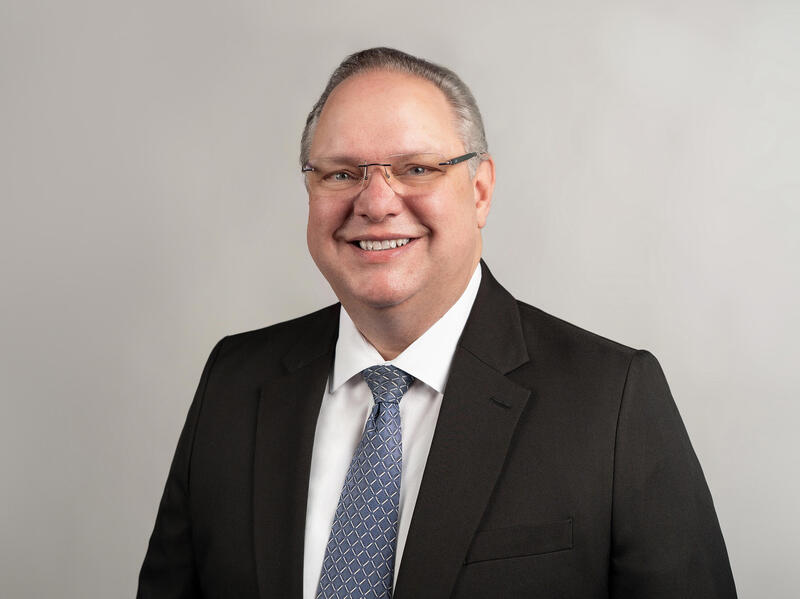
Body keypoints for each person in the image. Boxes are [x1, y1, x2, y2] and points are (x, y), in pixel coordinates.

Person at [138, 47, 737, 599]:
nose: (375, 203)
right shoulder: (235, 381)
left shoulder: (612, 400)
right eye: (342, 173)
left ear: (479, 191)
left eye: (417, 169)